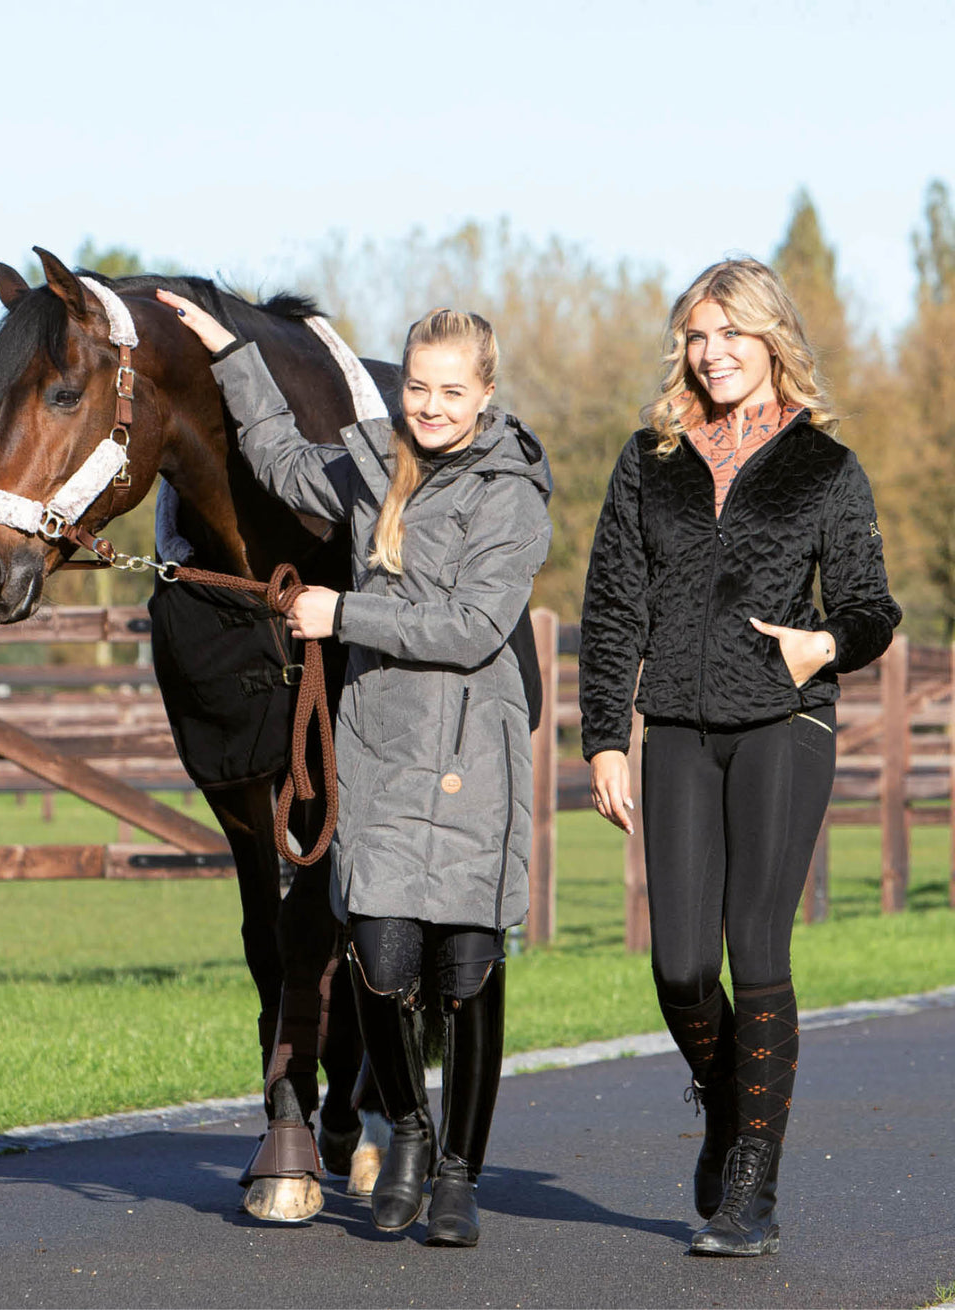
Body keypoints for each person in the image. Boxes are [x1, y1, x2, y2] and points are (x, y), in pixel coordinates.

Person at [159, 288, 552, 1247]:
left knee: (464, 969)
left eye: (451, 392)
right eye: (418, 387)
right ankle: (406, 1125)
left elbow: (472, 626)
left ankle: (457, 1175)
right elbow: (280, 460)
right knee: (378, 954)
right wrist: (230, 354)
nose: (431, 407)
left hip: (470, 750)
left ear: (485, 394)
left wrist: (343, 614)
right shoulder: (374, 462)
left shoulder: (512, 492)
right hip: (378, 743)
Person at [580, 258, 901, 1257]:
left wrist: (824, 644)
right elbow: (612, 605)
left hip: (784, 722)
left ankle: (752, 1184)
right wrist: (605, 736)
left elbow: (872, 607)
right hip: (676, 723)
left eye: (730, 333)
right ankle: (730, 1104)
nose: (711, 353)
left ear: (772, 339)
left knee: (757, 945)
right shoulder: (650, 459)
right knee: (680, 965)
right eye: (696, 335)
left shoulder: (826, 467)